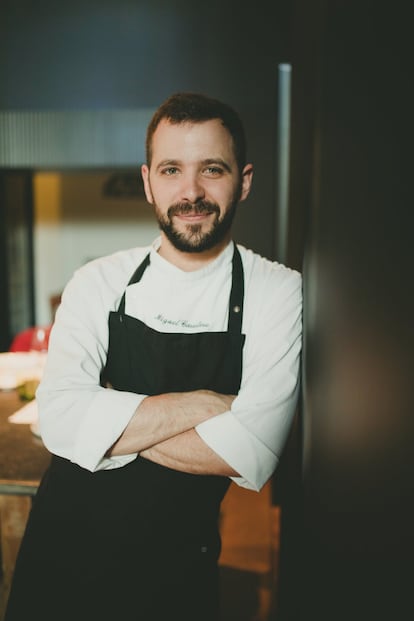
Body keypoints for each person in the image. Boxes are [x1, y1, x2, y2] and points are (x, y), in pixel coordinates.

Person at [5, 92, 302, 621]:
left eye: (212, 169)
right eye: (171, 170)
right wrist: (209, 404)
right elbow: (59, 420)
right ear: (148, 182)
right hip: (62, 555)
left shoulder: (277, 291)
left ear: (245, 180)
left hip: (177, 568)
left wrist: (106, 414)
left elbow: (249, 450)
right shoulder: (98, 281)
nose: (191, 192)